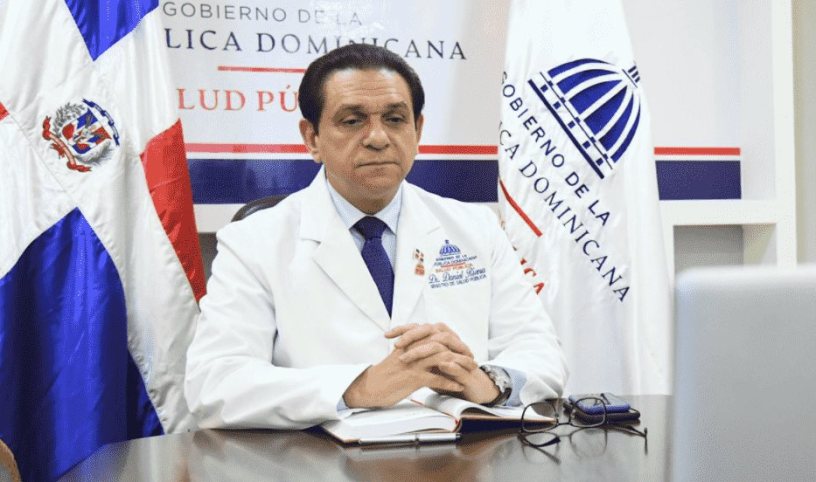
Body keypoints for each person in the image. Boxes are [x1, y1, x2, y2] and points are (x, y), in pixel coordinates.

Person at [184, 44, 568, 429]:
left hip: (461, 454)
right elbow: (214, 384)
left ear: (418, 130)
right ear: (312, 137)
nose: (378, 137)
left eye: (395, 119)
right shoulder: (253, 242)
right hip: (319, 457)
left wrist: (489, 382)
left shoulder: (475, 227)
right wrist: (359, 387)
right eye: (353, 121)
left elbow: (539, 350)